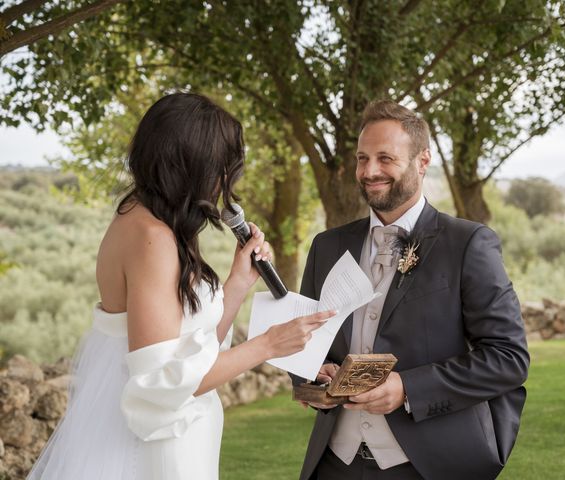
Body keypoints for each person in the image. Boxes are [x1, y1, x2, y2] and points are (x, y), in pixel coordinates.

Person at [27, 92, 333, 480]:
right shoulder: (151, 238)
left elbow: (193, 349)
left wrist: (238, 282)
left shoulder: (155, 221)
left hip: (186, 435)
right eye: (220, 168)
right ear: (191, 161)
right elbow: (158, 383)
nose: (224, 181)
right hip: (158, 450)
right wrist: (268, 344)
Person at [296, 100, 529, 480]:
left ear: (423, 161)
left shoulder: (468, 244)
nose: (370, 171)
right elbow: (303, 339)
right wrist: (310, 375)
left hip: (428, 465)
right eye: (362, 158)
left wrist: (407, 388)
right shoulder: (327, 245)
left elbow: (508, 359)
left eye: (385, 158)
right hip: (334, 463)